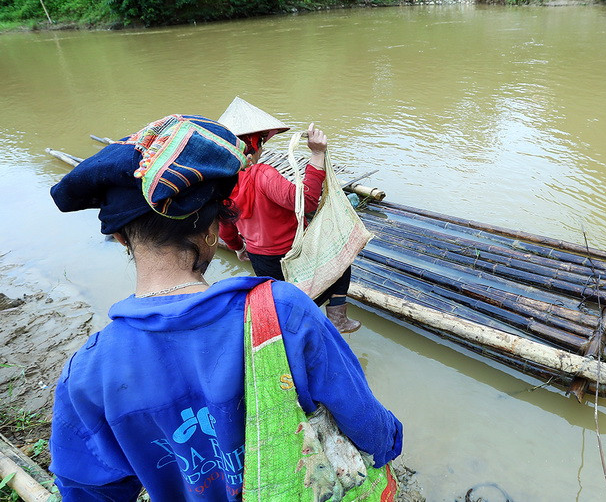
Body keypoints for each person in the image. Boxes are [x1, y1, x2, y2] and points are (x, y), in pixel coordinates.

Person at [49, 114, 401, 500]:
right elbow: (372, 430)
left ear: (119, 238)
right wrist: (388, 445)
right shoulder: (284, 311)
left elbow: (86, 490)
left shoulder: (86, 372)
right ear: (213, 229)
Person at [217, 97, 361, 333]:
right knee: (342, 260)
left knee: (280, 295)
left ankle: (288, 330)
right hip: (292, 250)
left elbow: (226, 225)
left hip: (259, 256)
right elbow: (305, 201)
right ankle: (335, 318)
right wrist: (317, 155)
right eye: (261, 143)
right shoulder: (262, 174)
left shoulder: (221, 182)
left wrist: (239, 248)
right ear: (253, 147)